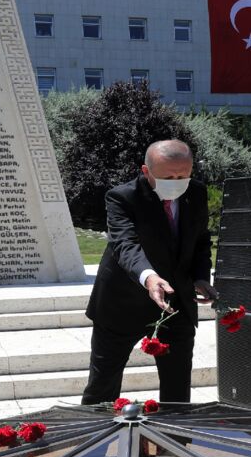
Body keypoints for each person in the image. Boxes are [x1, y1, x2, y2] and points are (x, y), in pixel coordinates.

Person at [81, 139, 214, 405]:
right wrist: (150, 277)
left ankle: (175, 441)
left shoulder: (196, 193)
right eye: (167, 177)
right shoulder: (122, 197)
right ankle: (95, 443)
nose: (176, 182)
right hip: (122, 302)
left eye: (183, 175)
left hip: (175, 304)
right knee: (103, 384)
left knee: (178, 386)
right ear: (146, 171)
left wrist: (201, 277)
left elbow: (200, 240)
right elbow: (125, 245)